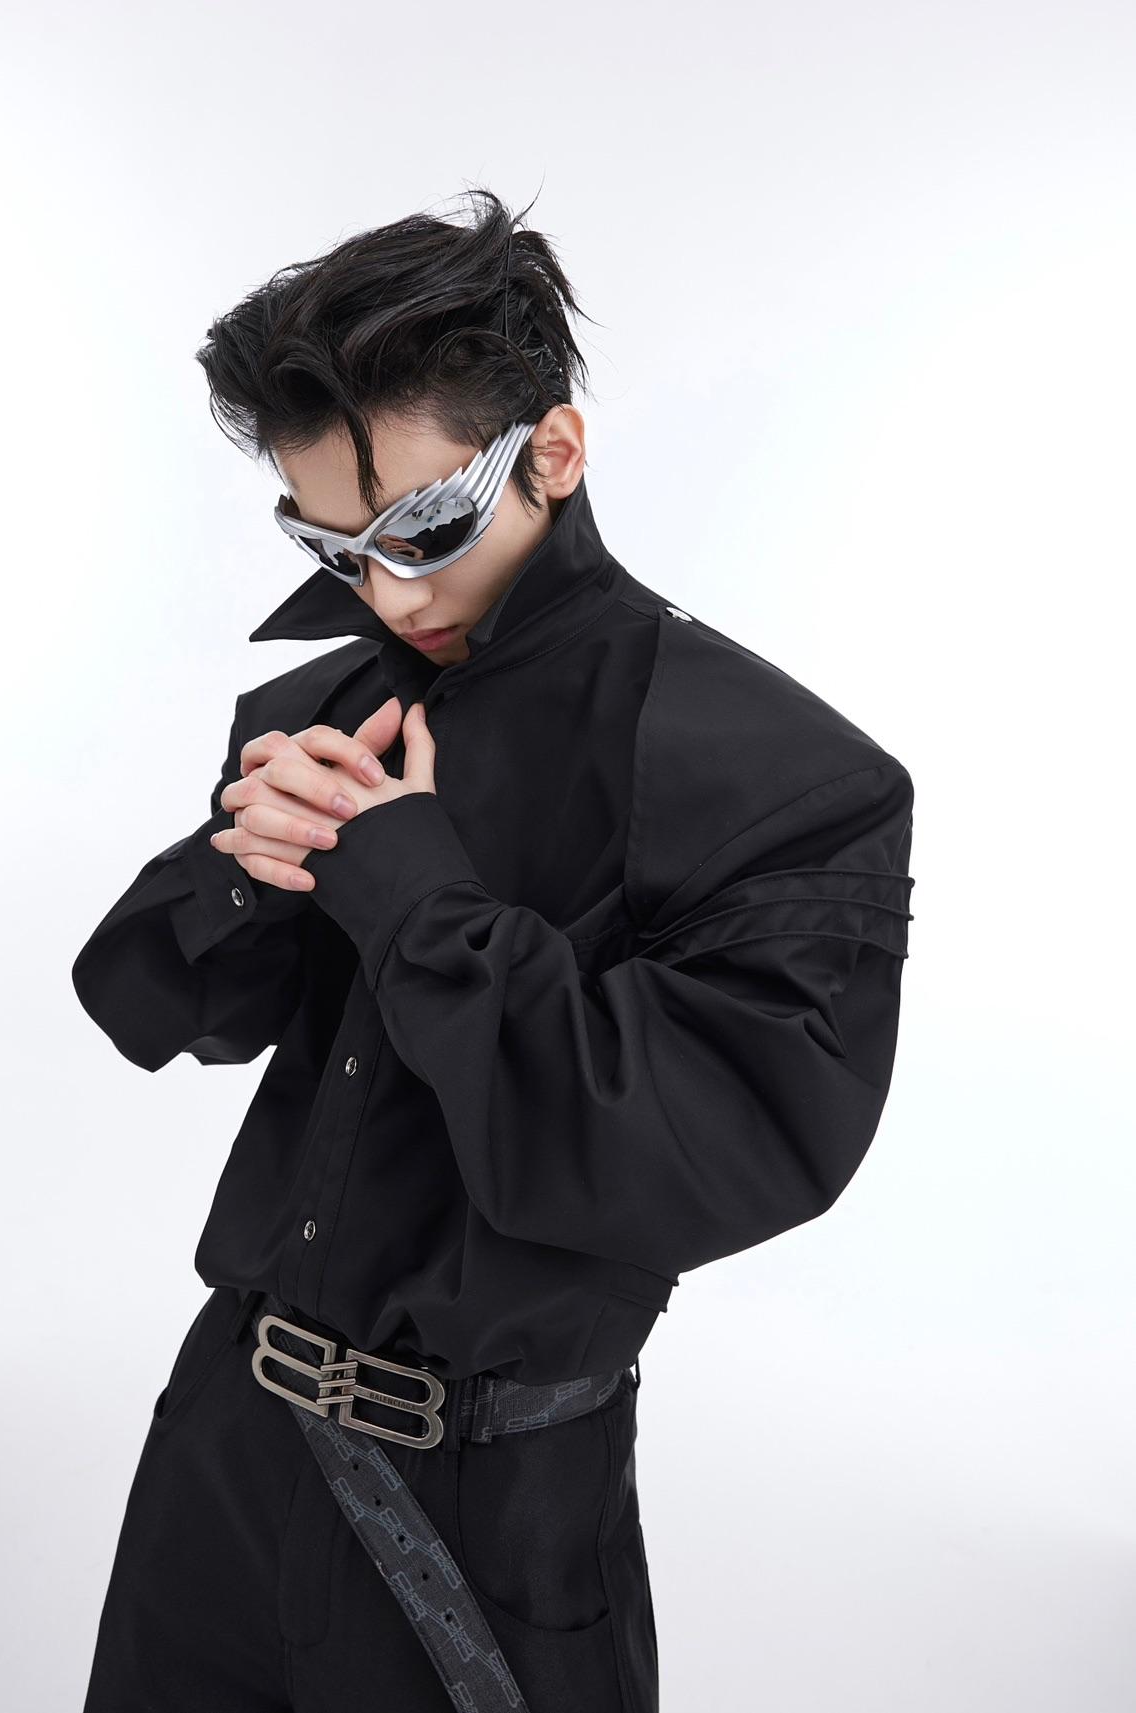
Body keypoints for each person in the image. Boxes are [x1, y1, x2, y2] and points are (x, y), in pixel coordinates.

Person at [71, 186, 915, 1713]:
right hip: (221, 1449)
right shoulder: (326, 708)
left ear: (555, 451)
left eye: (424, 528)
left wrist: (412, 891)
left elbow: (680, 1160)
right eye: (331, 546)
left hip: (490, 1502)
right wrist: (245, 869)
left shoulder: (784, 778)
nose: (390, 593)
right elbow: (142, 1004)